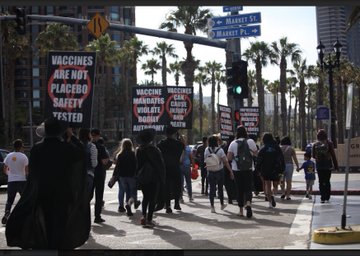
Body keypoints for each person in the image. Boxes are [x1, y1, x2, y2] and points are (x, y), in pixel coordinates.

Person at [6, 117, 90, 249]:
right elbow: (82, 155)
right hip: (63, 193)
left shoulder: (36, 149)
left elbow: (33, 174)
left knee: (44, 221)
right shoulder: (67, 149)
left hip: (42, 192)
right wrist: (72, 136)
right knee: (60, 223)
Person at [136, 129, 165, 228]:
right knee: (152, 199)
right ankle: (149, 219)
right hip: (154, 177)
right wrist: (162, 178)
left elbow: (137, 165)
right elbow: (160, 165)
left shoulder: (139, 150)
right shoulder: (154, 150)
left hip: (143, 177)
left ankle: (143, 216)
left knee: (145, 197)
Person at [227, 126, 258, 217]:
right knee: (248, 188)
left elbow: (229, 157)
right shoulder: (251, 142)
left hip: (237, 169)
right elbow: (256, 154)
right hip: (248, 168)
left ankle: (241, 211)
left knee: (239, 189)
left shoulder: (233, 143)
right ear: (245, 132)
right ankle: (248, 203)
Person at [157, 126, 184, 213]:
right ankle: (176, 203)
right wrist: (179, 136)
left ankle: (168, 205)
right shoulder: (178, 144)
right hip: (175, 167)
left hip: (165, 168)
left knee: (167, 187)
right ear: (174, 134)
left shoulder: (161, 144)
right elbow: (184, 145)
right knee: (177, 185)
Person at [1, 139, 29, 225]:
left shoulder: (9, 156)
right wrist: (25, 176)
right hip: (22, 180)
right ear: (21, 147)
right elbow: (27, 170)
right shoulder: (24, 157)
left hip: (11, 180)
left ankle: (7, 212)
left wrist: (9, 174)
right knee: (24, 198)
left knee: (10, 200)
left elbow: (5, 168)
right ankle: (24, 215)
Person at [204, 135, 234, 213]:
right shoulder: (220, 150)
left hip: (210, 171)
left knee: (212, 189)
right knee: (220, 188)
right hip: (219, 171)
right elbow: (225, 161)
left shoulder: (207, 150)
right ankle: (221, 204)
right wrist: (230, 170)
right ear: (216, 142)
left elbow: (205, 160)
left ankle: (212, 207)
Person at [256, 132, 285, 208]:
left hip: (265, 169)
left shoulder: (263, 148)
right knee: (275, 185)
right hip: (275, 169)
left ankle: (269, 202)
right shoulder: (277, 147)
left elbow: (259, 160)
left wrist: (258, 169)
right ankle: (273, 195)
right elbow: (281, 158)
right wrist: (282, 168)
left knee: (267, 185)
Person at [112, 138, 139, 216]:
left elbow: (117, 167)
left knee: (125, 191)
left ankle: (125, 206)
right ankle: (128, 205)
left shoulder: (119, 155)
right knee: (133, 192)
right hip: (131, 176)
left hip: (122, 177)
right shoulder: (133, 154)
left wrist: (114, 176)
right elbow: (135, 166)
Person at [312, 129, 338, 203]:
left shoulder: (315, 144)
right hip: (328, 165)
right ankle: (327, 196)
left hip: (319, 166)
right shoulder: (329, 143)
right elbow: (333, 155)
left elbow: (313, 156)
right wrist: (336, 166)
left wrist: (318, 157)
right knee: (327, 181)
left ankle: (322, 197)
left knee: (321, 181)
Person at [90, 128, 110, 223]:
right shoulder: (100, 147)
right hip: (99, 173)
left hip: (89, 174)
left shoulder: (86, 145)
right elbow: (104, 161)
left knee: (88, 195)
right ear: (98, 135)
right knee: (98, 196)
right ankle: (97, 216)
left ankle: (84, 215)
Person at [78, 128, 98, 199]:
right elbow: (94, 164)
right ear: (88, 135)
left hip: (77, 175)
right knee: (86, 198)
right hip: (88, 174)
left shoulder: (75, 145)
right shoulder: (92, 147)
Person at [279, 136, 299, 200]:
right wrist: (297, 166)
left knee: (282, 181)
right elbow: (294, 158)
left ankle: (282, 193)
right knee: (289, 181)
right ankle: (288, 195)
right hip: (289, 165)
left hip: (281, 166)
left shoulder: (279, 148)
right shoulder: (291, 149)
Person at [222, 135, 237, 204]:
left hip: (226, 167)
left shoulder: (225, 147)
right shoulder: (234, 146)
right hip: (234, 166)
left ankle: (230, 197)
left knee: (227, 183)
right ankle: (235, 196)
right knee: (234, 182)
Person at [179, 135, 195, 202]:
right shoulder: (188, 148)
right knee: (188, 182)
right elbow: (191, 158)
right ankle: (190, 197)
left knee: (180, 182)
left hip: (180, 166)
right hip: (187, 166)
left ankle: (181, 198)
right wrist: (193, 166)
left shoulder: (178, 148)